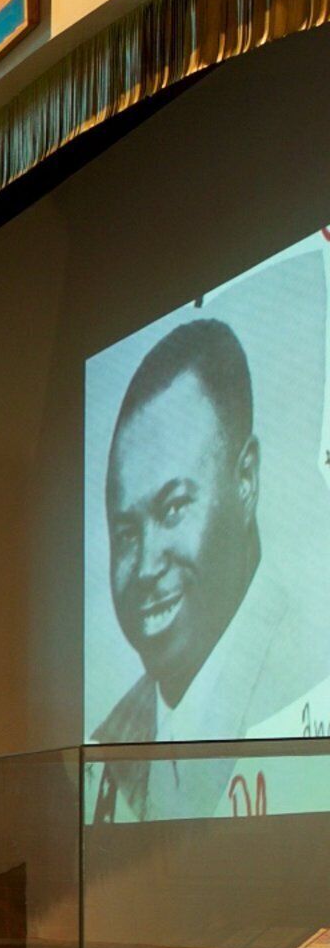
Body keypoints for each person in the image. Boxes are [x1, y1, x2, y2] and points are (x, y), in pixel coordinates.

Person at [93, 317, 330, 818]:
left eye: (173, 509)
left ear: (246, 480)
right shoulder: (110, 740)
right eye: (126, 533)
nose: (145, 567)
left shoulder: (313, 676)